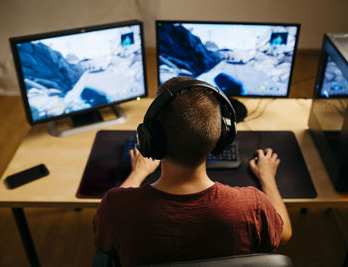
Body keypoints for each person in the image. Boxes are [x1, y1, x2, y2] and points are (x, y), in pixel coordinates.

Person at [93, 77, 292, 266]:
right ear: (223, 136)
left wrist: (137, 174)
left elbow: (103, 243)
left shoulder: (116, 207)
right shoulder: (252, 206)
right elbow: (284, 234)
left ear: (150, 139)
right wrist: (267, 177)